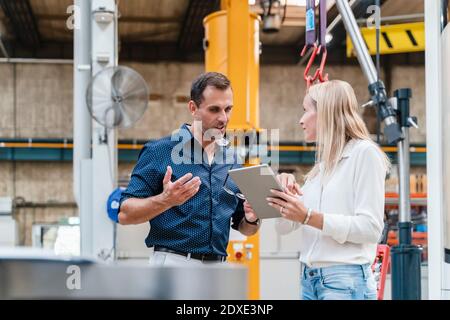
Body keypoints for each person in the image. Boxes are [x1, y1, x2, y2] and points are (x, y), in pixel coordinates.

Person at [118, 72, 261, 266]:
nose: (223, 118)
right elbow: (125, 213)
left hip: (218, 268)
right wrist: (165, 200)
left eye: (228, 109)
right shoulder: (160, 152)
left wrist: (252, 219)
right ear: (193, 108)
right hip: (174, 264)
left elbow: (245, 228)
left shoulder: (233, 159)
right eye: (214, 109)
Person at [270, 80, 390, 300]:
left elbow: (371, 228)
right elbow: (284, 228)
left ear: (325, 113)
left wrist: (309, 216)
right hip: (310, 279)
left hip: (344, 281)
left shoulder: (364, 154)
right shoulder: (322, 168)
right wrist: (285, 199)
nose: (300, 119)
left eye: (306, 111)